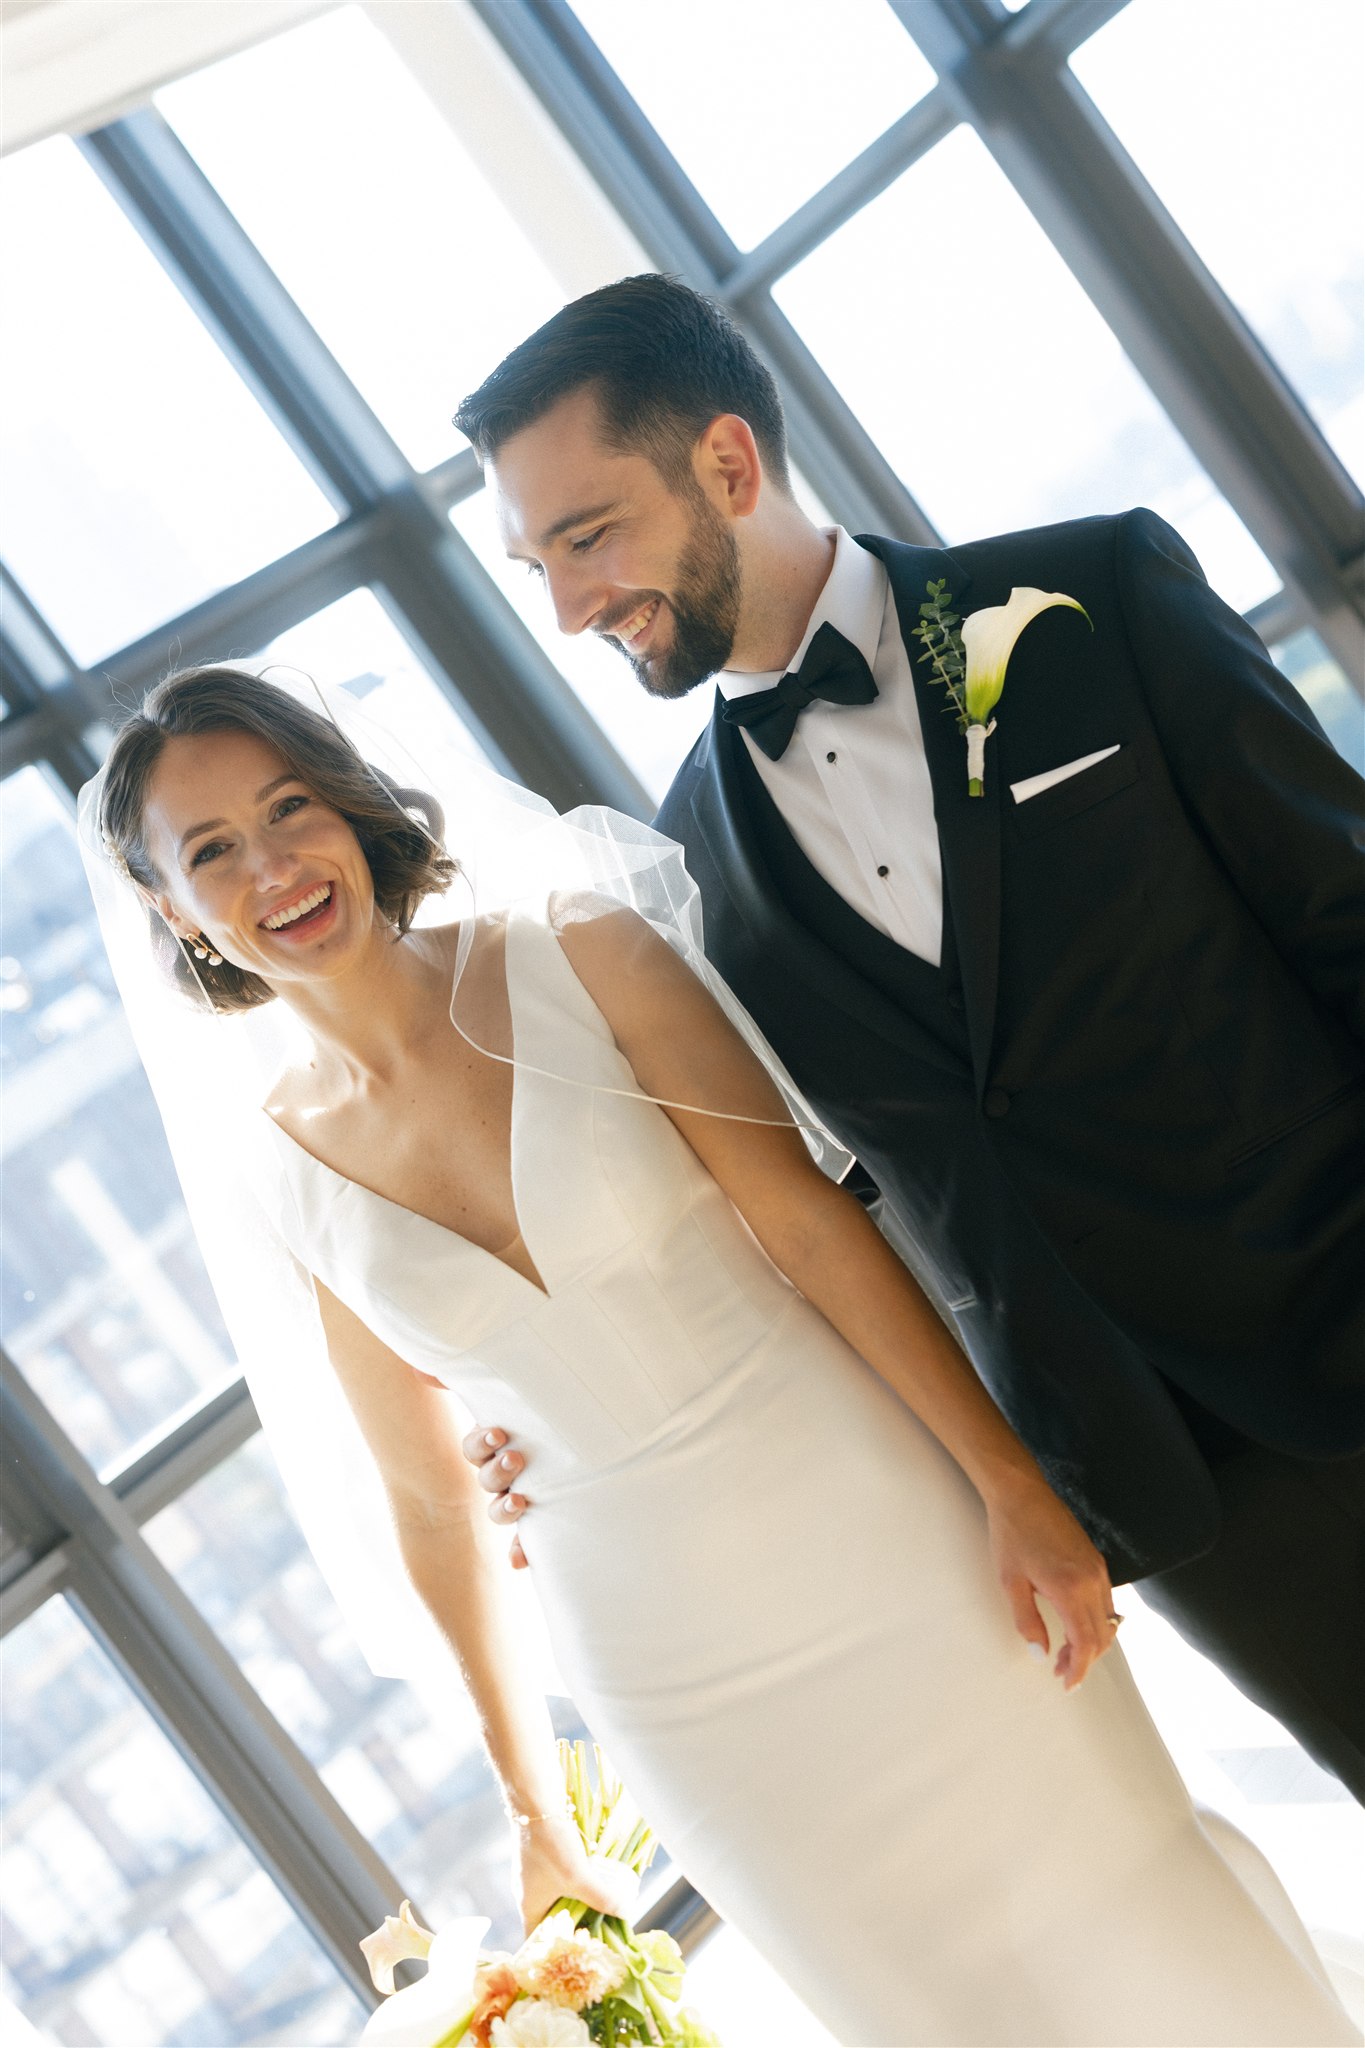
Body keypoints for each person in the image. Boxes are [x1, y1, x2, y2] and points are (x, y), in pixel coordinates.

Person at [85, 666, 1354, 2047]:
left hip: (887, 1532)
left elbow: (809, 1227)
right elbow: (432, 1498)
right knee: (927, 2010)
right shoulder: (277, 1171)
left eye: (289, 809)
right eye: (211, 851)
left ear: (350, 806)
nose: (273, 866)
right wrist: (535, 1812)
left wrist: (1012, 1486)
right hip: (665, 1670)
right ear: (170, 908)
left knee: (1132, 1895)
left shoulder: (578, 952)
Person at [452, 274, 1365, 1802]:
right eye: (530, 563)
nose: (565, 607)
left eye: (587, 535)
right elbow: (806, 1217)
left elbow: (1341, 911)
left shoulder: (1084, 600)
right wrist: (540, 1406)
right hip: (1163, 1468)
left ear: (728, 468)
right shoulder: (685, 880)